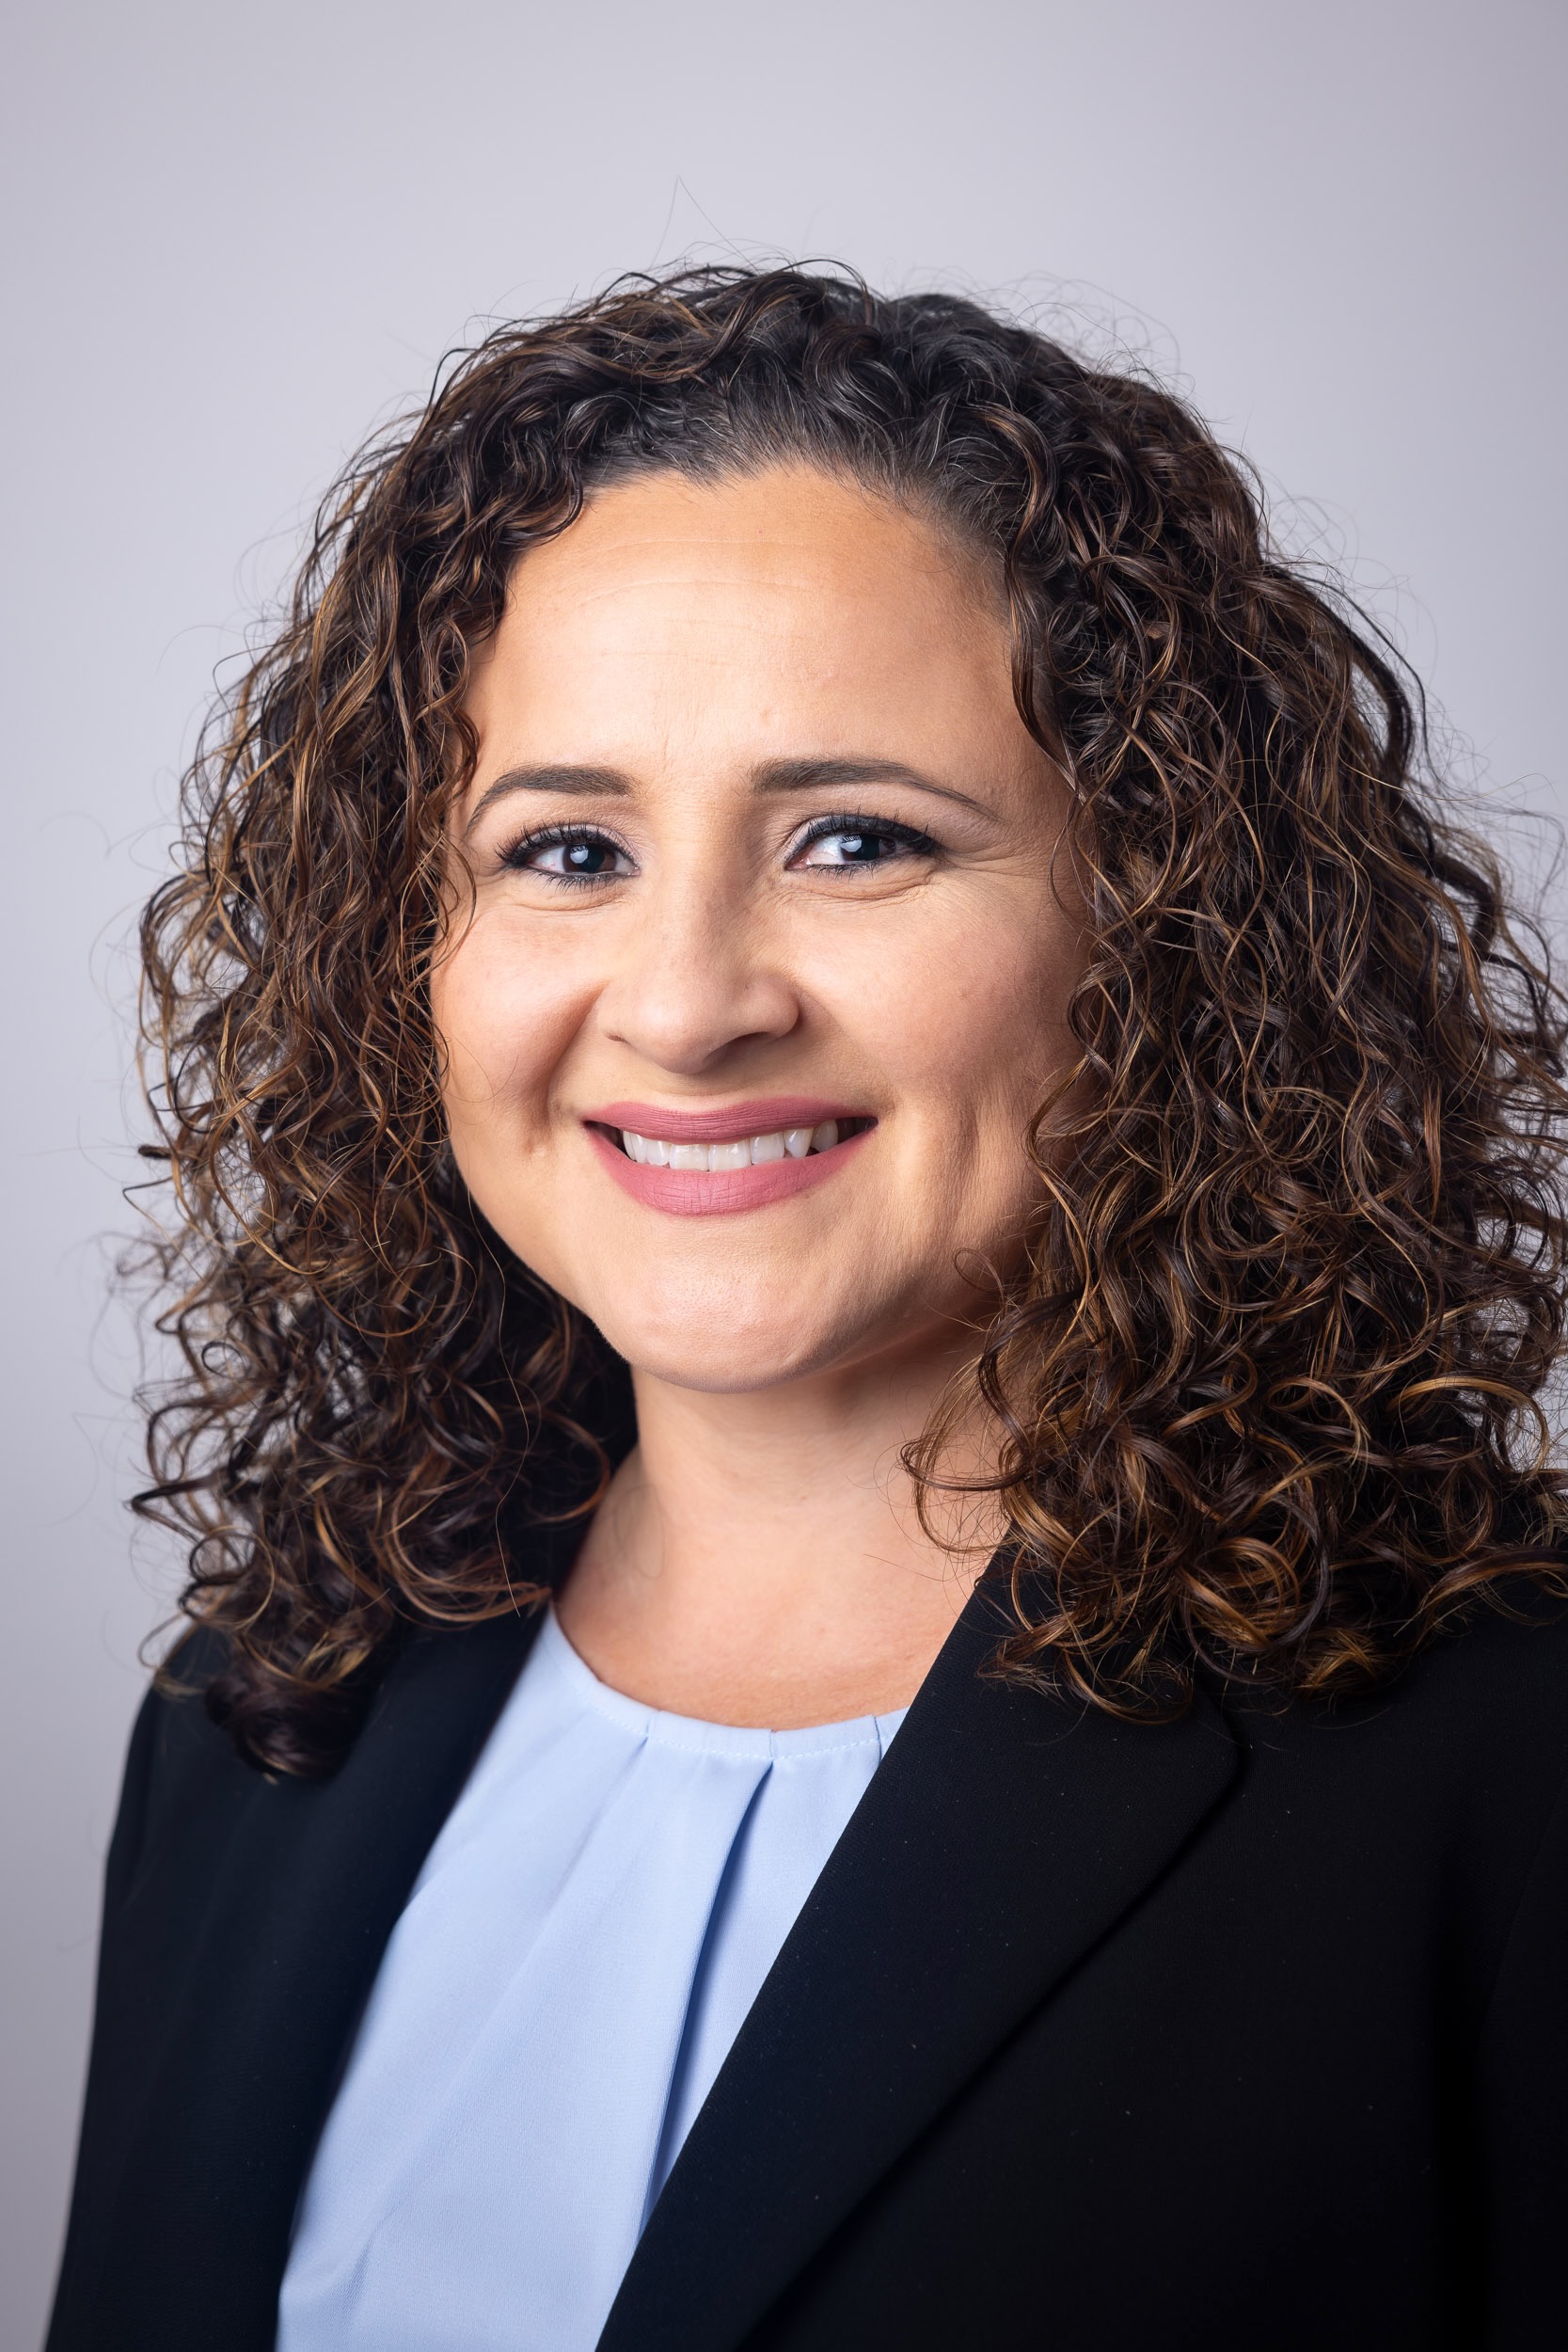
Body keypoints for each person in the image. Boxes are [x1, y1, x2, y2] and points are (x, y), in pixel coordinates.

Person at [47, 266, 1567, 2352]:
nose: (683, 1002)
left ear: (1162, 919)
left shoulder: (1507, 1772)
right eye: (566, 846)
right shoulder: (264, 1710)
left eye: (854, 839)